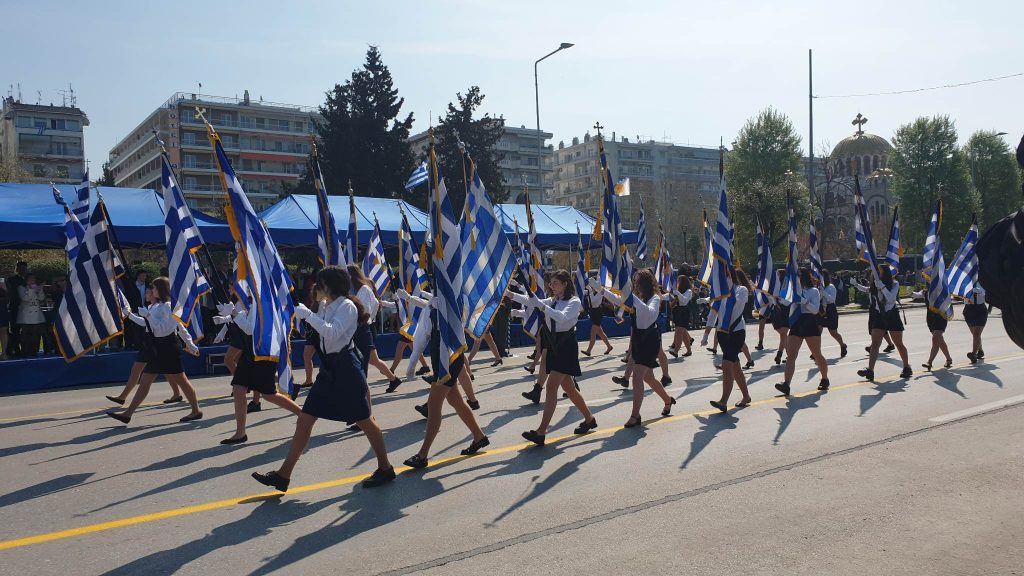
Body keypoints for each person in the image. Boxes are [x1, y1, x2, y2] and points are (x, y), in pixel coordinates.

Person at [252, 266, 395, 491]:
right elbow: (316, 331)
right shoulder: (326, 306)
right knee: (305, 419)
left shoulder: (347, 306)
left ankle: (385, 467)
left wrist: (309, 315)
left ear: (329, 285)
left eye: (320, 284)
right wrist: (300, 310)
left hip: (346, 369)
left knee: (364, 419)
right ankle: (283, 475)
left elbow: (331, 332)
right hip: (329, 370)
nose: (316, 288)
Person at [507, 270, 596, 445]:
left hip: (566, 347)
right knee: (569, 389)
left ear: (565, 284)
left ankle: (541, 432)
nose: (551, 286)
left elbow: (562, 319)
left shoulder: (574, 301)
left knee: (551, 387)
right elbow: (531, 301)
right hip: (555, 345)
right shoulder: (554, 301)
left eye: (555, 283)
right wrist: (509, 294)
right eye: (551, 283)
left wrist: (542, 307)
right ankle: (589, 419)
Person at [401, 299, 490, 470]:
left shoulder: (455, 301)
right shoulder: (434, 304)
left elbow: (464, 318)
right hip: (440, 357)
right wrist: (412, 365)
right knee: (455, 400)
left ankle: (422, 454)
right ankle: (479, 436)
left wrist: (411, 366)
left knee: (434, 405)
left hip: (449, 358)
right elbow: (422, 336)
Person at [105, 277, 203, 424]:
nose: (152, 290)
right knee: (145, 380)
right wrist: (130, 315)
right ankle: (128, 413)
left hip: (169, 346)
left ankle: (196, 410)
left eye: (155, 288)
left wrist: (190, 344)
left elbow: (164, 329)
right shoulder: (156, 306)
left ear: (161, 290)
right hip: (157, 346)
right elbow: (147, 324)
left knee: (181, 380)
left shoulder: (170, 306)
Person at [215, 287, 303, 444]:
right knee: (238, 388)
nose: (247, 287)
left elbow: (250, 329)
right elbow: (248, 317)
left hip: (263, 352)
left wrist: (234, 313)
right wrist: (227, 317)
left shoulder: (265, 303)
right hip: (251, 350)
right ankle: (240, 433)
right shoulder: (258, 302)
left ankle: (303, 415)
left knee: (268, 394)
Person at [592, 269, 676, 427]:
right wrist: (601, 291)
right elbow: (619, 300)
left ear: (644, 283)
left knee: (637, 377)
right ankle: (667, 400)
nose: (634, 284)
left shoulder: (655, 299)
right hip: (639, 340)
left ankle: (635, 415)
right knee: (648, 378)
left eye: (637, 281)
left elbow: (649, 314)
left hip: (650, 340)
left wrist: (632, 300)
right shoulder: (637, 299)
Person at [105, 283, 184, 405]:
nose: (146, 294)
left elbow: (156, 324)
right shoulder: (152, 306)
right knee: (165, 370)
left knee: (143, 370)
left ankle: (123, 397)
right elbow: (145, 323)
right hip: (150, 340)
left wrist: (136, 315)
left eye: (148, 292)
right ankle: (177, 393)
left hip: (156, 341)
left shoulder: (160, 307)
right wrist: (130, 315)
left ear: (154, 294)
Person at [775, 268, 830, 396]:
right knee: (791, 356)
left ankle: (824, 378)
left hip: (809, 322)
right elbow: (785, 302)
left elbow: (815, 310)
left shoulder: (813, 291)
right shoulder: (793, 291)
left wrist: (803, 300)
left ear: (803, 277)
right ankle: (786, 384)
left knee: (817, 354)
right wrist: (775, 297)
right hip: (796, 322)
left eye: (798, 276)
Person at [347, 264, 402, 391]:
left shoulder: (364, 289)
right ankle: (393, 379)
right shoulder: (357, 290)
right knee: (373, 360)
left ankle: (362, 390)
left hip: (363, 328)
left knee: (364, 361)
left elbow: (366, 311)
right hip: (362, 327)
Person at [856, 265, 912, 381]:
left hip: (892, 315)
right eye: (874, 272)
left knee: (898, 343)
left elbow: (891, 299)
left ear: (885, 273)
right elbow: (867, 291)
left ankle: (906, 367)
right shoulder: (874, 284)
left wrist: (882, 287)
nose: (874, 274)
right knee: (875, 344)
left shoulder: (894, 283)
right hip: (879, 315)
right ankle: (870, 370)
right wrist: (857, 284)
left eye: (878, 272)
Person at [711, 268, 752, 411]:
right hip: (722, 332)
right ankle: (746, 396)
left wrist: (726, 294)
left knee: (727, 364)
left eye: (725, 276)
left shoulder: (742, 290)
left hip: (736, 331)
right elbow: (716, 310)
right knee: (735, 365)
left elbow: (736, 305)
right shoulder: (720, 293)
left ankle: (723, 401)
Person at [912, 289, 953, 371]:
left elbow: (948, 299)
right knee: (940, 340)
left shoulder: (942, 290)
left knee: (935, 339)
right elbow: (917, 295)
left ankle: (929, 362)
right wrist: (911, 292)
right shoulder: (926, 291)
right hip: (931, 319)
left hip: (941, 317)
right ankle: (949, 359)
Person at [819, 270, 848, 358]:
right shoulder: (819, 287)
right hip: (821, 310)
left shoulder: (831, 287)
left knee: (833, 333)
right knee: (817, 332)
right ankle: (816, 351)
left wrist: (823, 292)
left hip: (830, 310)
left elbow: (831, 299)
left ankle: (842, 345)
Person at [16, 273, 46, 357]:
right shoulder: (21, 288)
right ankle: (24, 351)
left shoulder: (37, 287)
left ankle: (33, 351)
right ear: (26, 280)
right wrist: (31, 289)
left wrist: (40, 290)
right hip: (26, 315)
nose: (33, 280)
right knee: (25, 334)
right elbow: (25, 299)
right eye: (31, 279)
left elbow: (41, 298)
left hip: (36, 316)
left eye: (34, 279)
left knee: (35, 334)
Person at [582, 277, 613, 357]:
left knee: (593, 332)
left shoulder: (600, 292)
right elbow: (586, 285)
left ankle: (588, 351)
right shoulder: (591, 291)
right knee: (600, 333)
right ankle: (609, 347)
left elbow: (594, 301)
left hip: (597, 313)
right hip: (592, 313)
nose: (592, 286)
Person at [667, 274, 694, 358]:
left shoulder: (688, 291)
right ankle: (689, 351)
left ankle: (676, 350)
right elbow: (672, 300)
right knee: (683, 333)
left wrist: (677, 292)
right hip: (678, 312)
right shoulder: (679, 291)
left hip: (684, 312)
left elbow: (684, 301)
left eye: (678, 281)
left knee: (679, 332)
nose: (677, 283)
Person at [5, 261, 28, 357]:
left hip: (27, 309)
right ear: (17, 269)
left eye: (24, 268)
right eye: (21, 268)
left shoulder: (29, 278)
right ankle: (15, 349)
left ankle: (26, 348)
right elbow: (12, 293)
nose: (23, 270)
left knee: (26, 330)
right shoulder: (11, 279)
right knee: (15, 330)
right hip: (16, 308)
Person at [964, 283, 988, 364]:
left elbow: (985, 293)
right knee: (975, 334)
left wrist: (976, 290)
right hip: (968, 309)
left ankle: (973, 354)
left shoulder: (981, 281)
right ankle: (980, 351)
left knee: (976, 334)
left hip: (979, 310)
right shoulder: (964, 281)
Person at [0, 278, 9, 360]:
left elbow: (7, 299)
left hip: (2, 310)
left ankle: (4, 353)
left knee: (3, 330)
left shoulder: (2, 282)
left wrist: (4, 289)